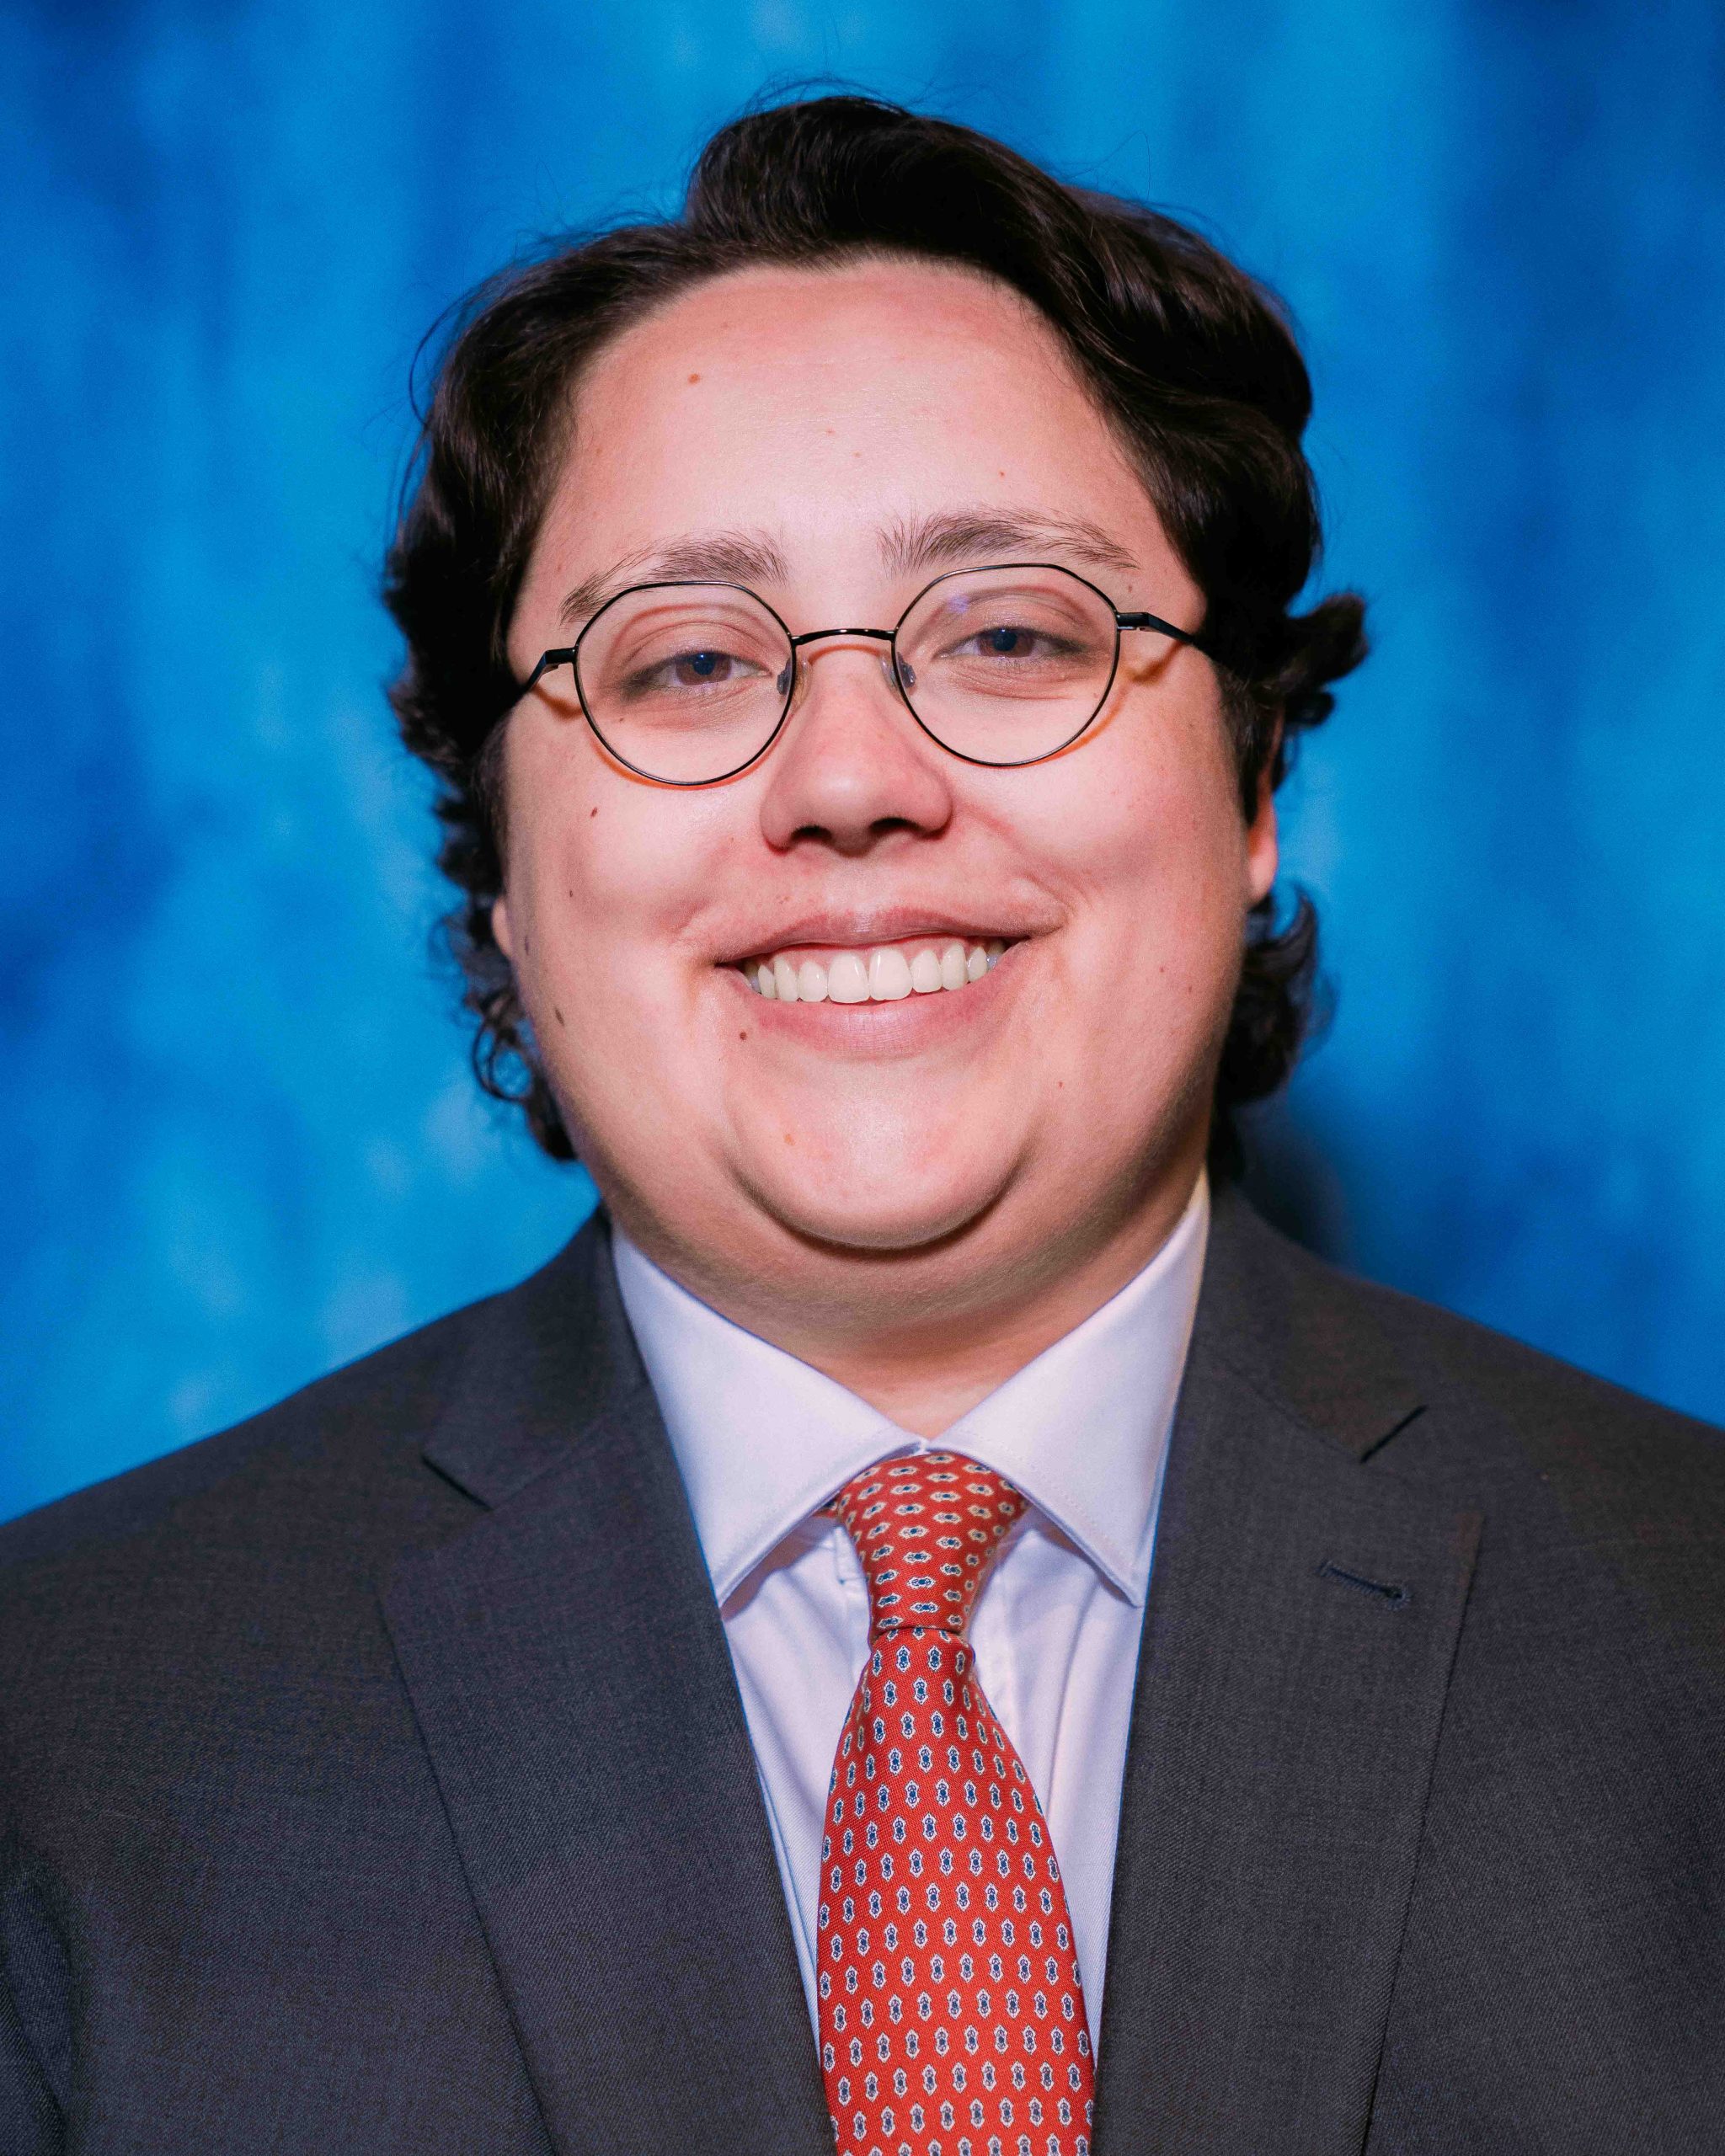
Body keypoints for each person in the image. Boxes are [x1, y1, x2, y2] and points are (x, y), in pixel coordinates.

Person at [1, 95, 1719, 2156]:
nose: (849, 778)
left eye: (1008, 633)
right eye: (685, 659)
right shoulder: (58, 1730)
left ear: (1251, 785)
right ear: (504, 864)